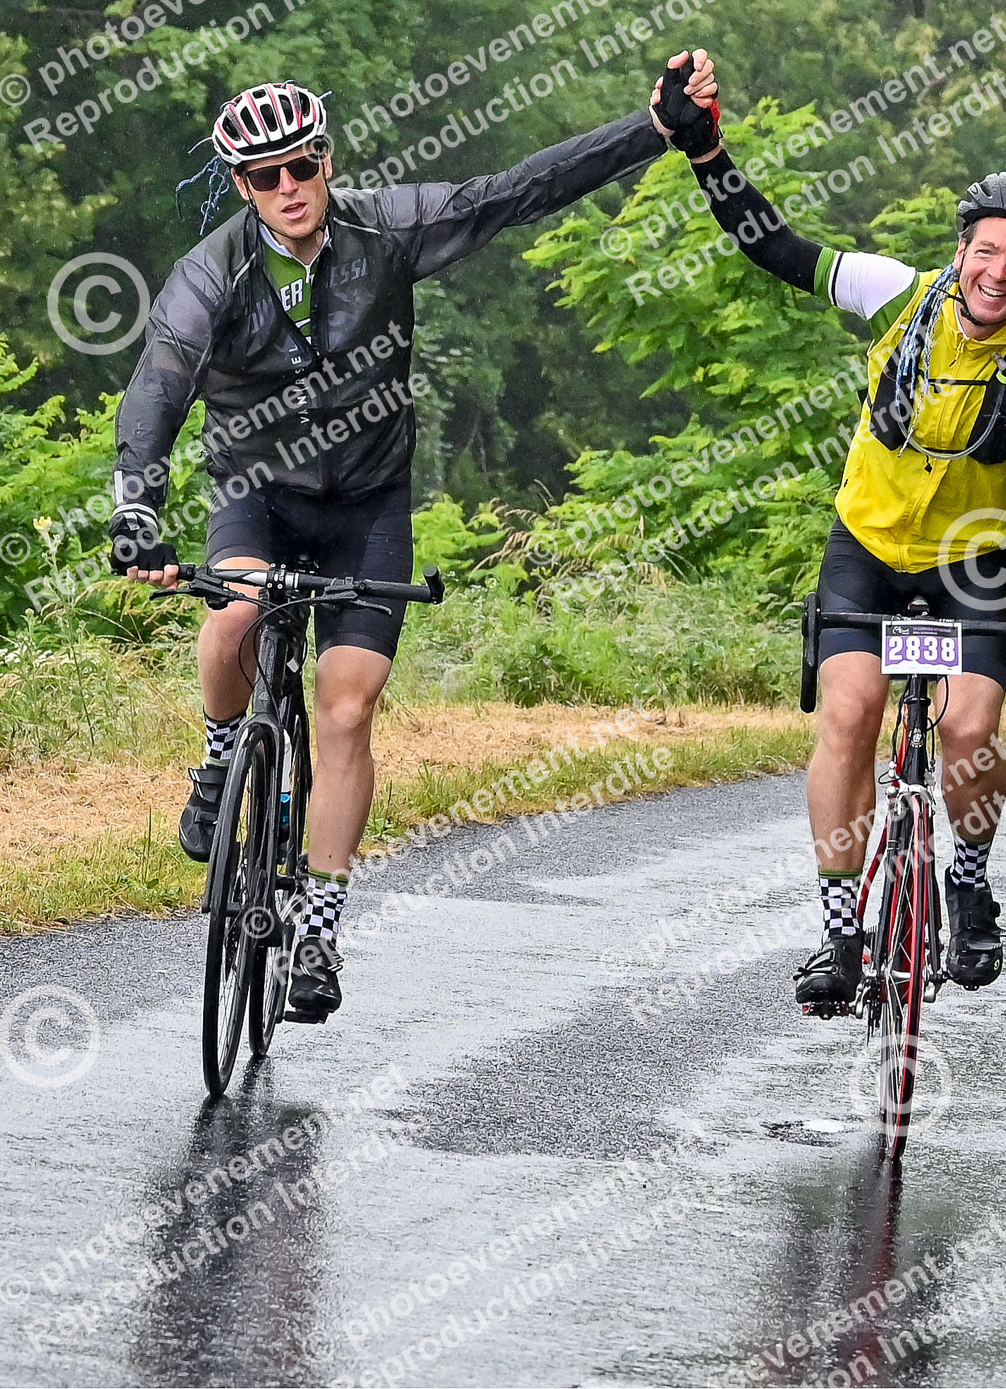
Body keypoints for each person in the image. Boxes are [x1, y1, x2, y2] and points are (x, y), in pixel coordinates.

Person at [110, 62, 715, 1021]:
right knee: (233, 616)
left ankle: (318, 928)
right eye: (264, 176)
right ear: (241, 186)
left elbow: (513, 193)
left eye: (301, 165)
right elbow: (157, 390)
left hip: (366, 507)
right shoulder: (209, 274)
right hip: (258, 497)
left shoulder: (386, 230)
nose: (288, 187)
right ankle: (223, 755)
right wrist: (136, 508)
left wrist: (655, 130)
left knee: (347, 708)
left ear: (327, 160)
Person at [649, 62, 1006, 1006]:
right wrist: (707, 152)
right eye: (986, 251)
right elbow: (777, 247)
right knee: (847, 720)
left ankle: (968, 884)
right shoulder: (899, 294)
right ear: (961, 249)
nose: (998, 272)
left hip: (974, 566)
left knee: (968, 729)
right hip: (869, 548)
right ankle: (840, 933)